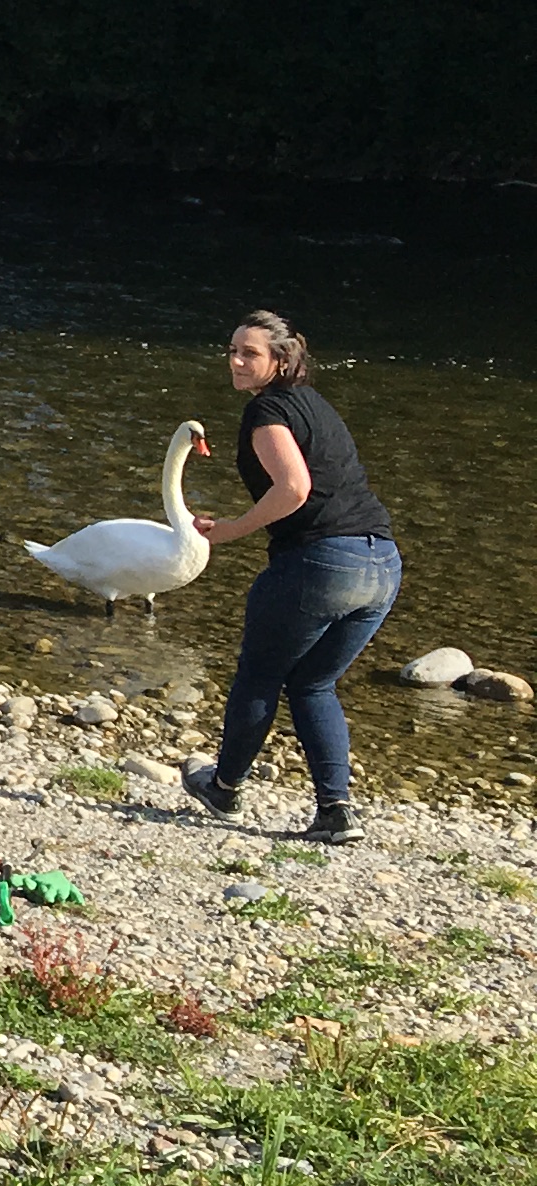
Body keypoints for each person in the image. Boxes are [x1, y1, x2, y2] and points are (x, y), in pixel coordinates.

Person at [182, 310, 399, 844]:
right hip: (382, 563)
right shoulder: (315, 405)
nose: (235, 360)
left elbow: (295, 487)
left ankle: (226, 788)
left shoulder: (267, 410)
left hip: (321, 563)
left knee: (259, 674)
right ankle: (336, 811)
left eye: (249, 353)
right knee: (313, 682)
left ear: (281, 361)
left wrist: (233, 529)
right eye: (232, 349)